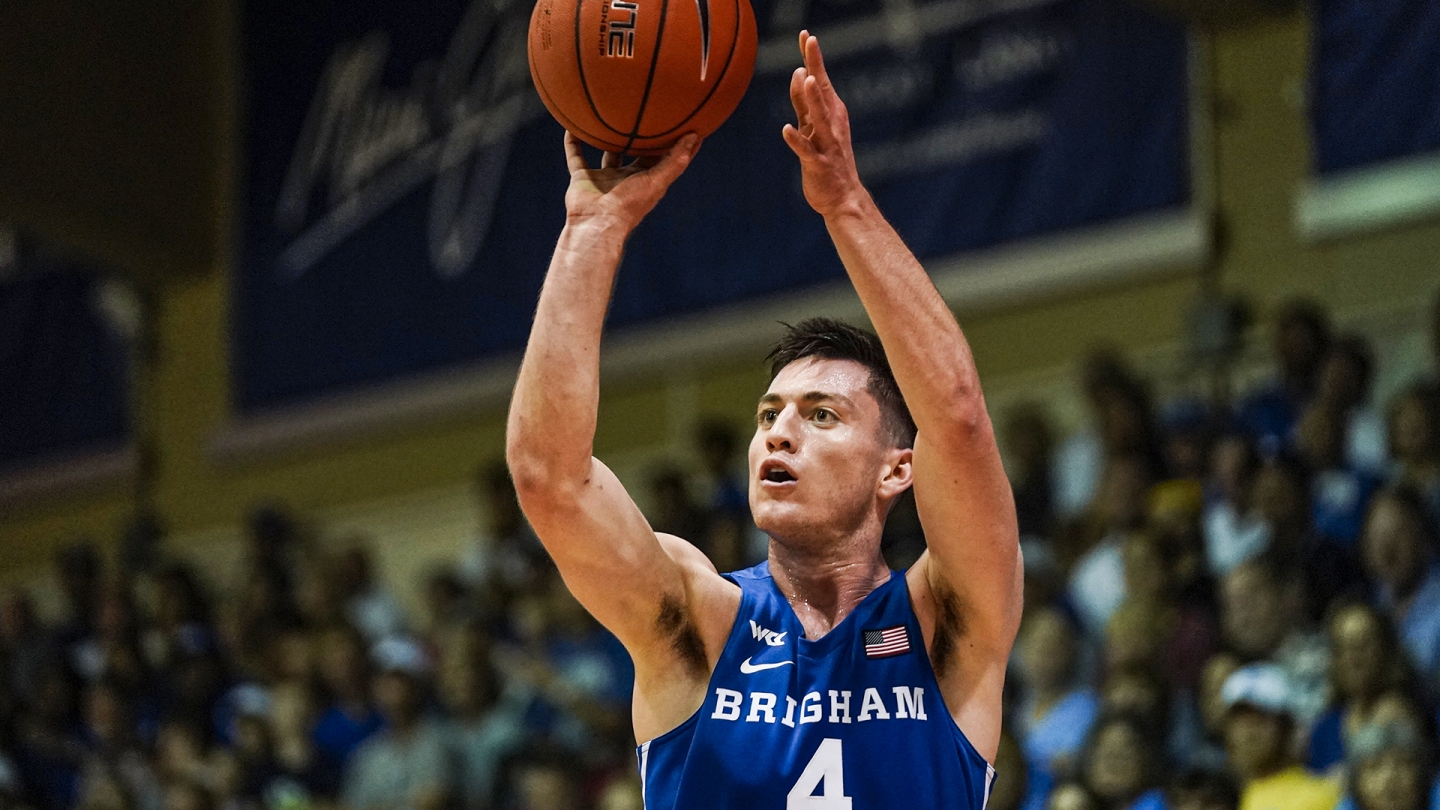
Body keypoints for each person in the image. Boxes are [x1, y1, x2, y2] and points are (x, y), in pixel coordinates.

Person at [505, 31, 1021, 809]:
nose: (778, 433)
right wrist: (593, 230)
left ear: (897, 467)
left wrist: (846, 204)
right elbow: (548, 477)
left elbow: (956, 417)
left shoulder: (949, 622)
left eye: (822, 415)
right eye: (769, 413)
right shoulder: (698, 622)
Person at [1220, 664, 1338, 810]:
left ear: (1287, 728)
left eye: (1258, 722)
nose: (1246, 735)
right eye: (1238, 722)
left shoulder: (1316, 796)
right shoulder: (1227, 797)